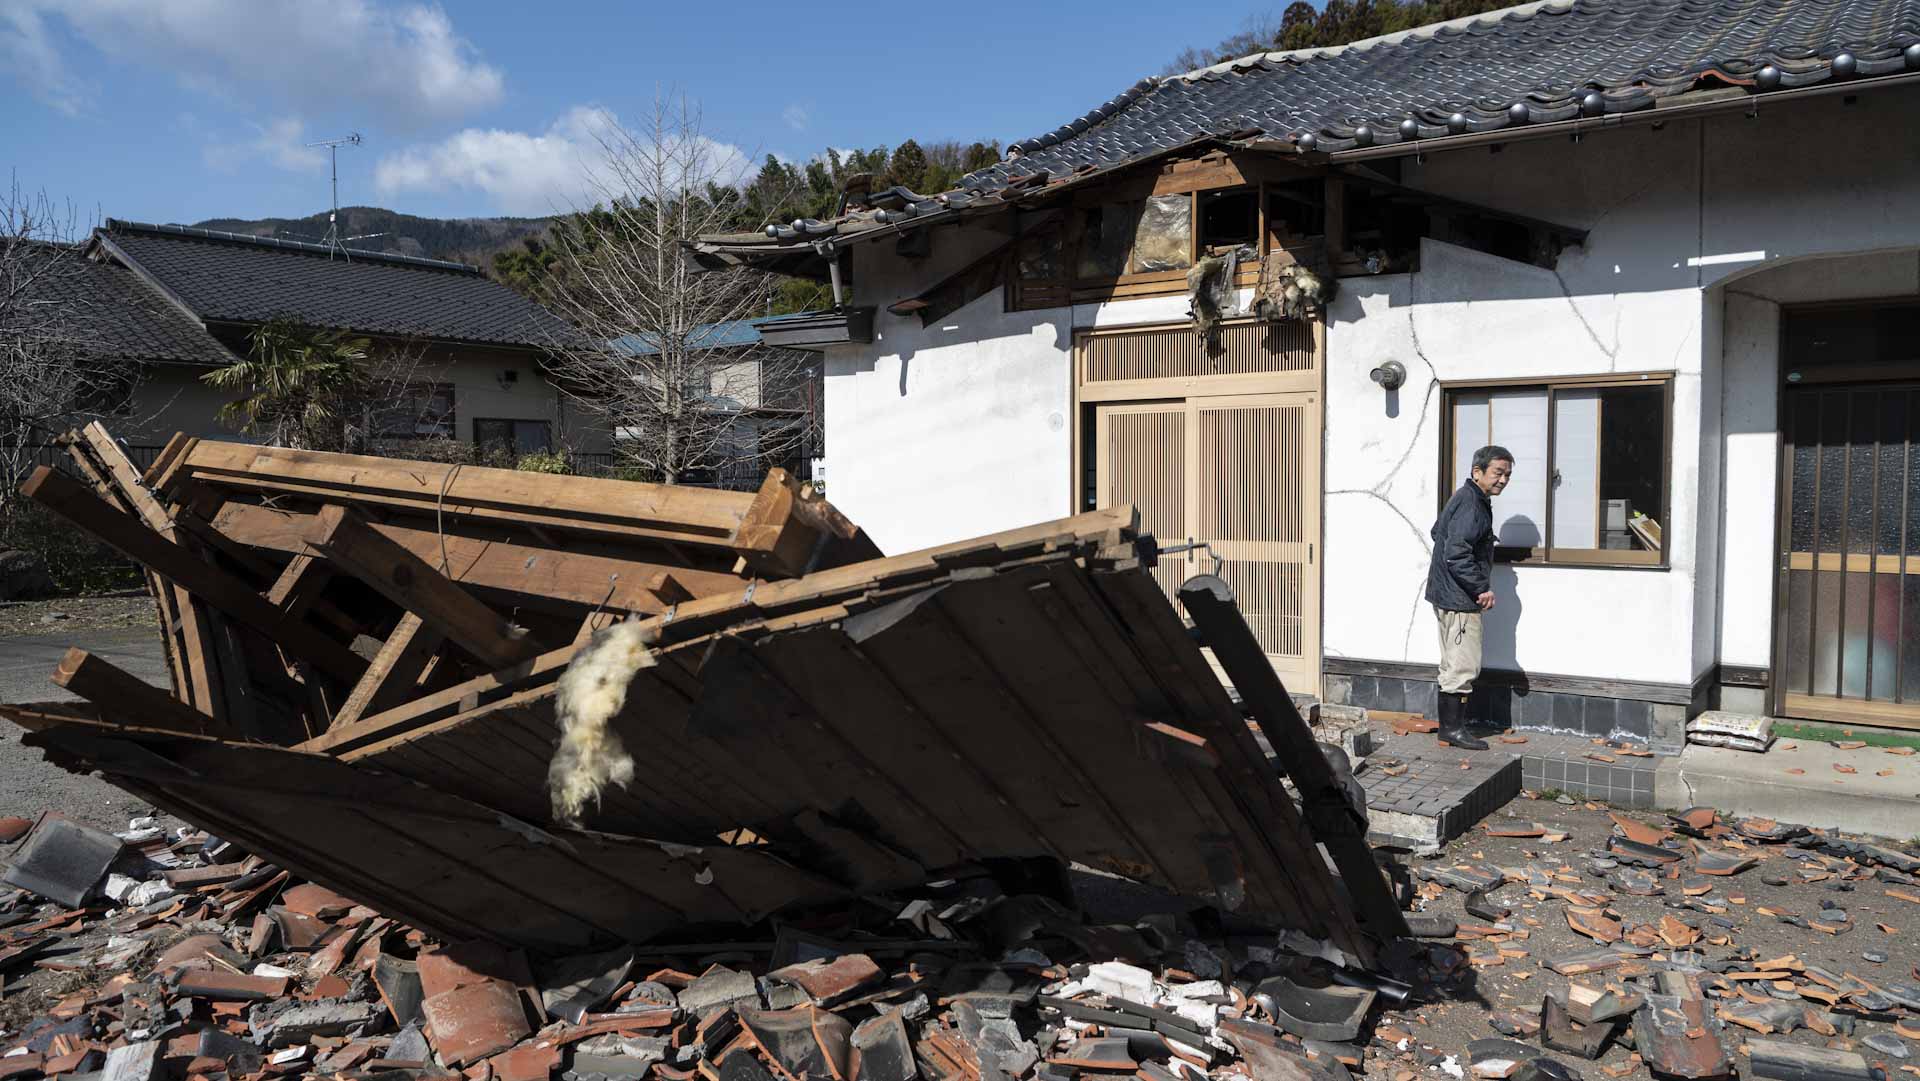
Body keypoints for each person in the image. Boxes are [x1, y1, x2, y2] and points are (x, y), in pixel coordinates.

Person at [1426, 445, 1513, 750]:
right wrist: (1480, 587)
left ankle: (1450, 728)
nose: (1503, 479)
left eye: (1507, 474)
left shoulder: (1464, 498)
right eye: (1498, 473)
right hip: (1460, 600)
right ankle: (1453, 730)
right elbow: (1456, 551)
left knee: (1452, 663)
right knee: (1463, 665)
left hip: (1447, 595)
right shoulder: (1472, 504)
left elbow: (1439, 532)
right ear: (1478, 472)